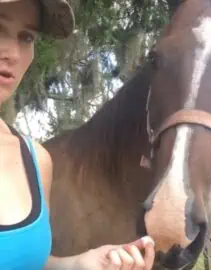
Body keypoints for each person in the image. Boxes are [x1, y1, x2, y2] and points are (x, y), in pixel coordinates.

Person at [0, 0, 156, 269]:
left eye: (26, 37)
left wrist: (79, 263)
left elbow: (25, 262)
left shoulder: (36, 161)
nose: (13, 53)